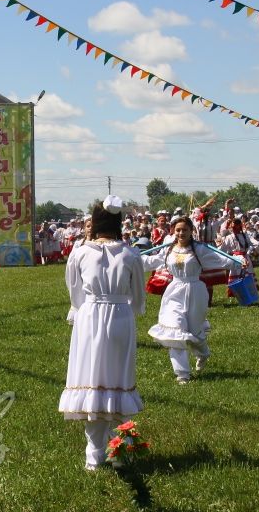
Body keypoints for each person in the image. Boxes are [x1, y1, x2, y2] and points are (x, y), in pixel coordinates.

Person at [59, 196, 145, 471]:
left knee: (91, 378)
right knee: (117, 378)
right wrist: (125, 306)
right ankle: (116, 447)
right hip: (121, 316)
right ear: (119, 223)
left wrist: (85, 306)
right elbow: (138, 298)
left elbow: (74, 293)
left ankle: (95, 452)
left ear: (94, 224)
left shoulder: (80, 253)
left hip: (90, 315)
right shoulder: (131, 255)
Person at [142, 217, 240, 384]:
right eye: (178, 230)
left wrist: (237, 262)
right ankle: (182, 374)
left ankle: (203, 354)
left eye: (185, 230)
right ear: (173, 231)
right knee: (175, 330)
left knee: (195, 333)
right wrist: (129, 259)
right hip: (174, 293)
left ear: (191, 231)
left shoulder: (200, 249)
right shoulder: (168, 250)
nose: (181, 233)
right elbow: (152, 261)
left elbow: (219, 259)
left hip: (196, 291)